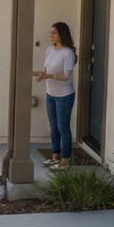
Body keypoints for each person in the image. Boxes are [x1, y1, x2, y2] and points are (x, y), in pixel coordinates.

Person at [35, 22, 78, 169]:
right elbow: (45, 70)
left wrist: (48, 76)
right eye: (50, 32)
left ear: (61, 34)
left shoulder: (68, 53)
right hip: (50, 94)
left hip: (65, 95)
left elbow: (66, 76)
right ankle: (55, 157)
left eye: (54, 33)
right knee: (53, 126)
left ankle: (65, 161)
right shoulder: (49, 50)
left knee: (63, 127)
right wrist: (38, 74)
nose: (51, 35)